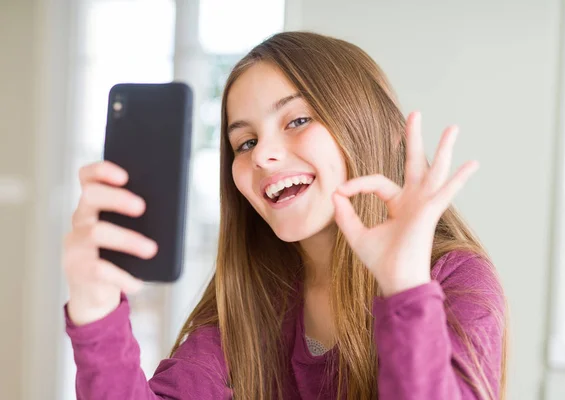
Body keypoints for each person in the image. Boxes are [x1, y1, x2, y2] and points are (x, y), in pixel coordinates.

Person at [63, 31, 507, 400]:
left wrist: (405, 287)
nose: (263, 156)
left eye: (296, 121)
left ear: (375, 127)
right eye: (246, 143)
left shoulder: (456, 279)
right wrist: (94, 308)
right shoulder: (251, 301)